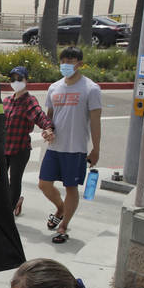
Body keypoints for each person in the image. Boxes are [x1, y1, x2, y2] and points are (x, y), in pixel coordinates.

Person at [39, 47, 102, 245]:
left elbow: (95, 121)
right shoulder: (54, 87)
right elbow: (49, 117)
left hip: (75, 149)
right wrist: (48, 130)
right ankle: (60, 208)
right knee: (44, 184)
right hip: (54, 148)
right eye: (64, 59)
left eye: (71, 60)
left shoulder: (91, 89)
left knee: (71, 188)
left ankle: (64, 225)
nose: (67, 63)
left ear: (80, 63)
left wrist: (96, 149)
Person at [2, 66, 55, 217]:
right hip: (4, 148)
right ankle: (14, 201)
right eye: (13, 79)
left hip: (20, 149)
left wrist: (48, 128)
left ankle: (8, 212)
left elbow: (40, 116)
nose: (16, 82)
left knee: (14, 181)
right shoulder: (6, 101)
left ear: (26, 80)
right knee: (0, 180)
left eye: (20, 79)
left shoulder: (29, 101)